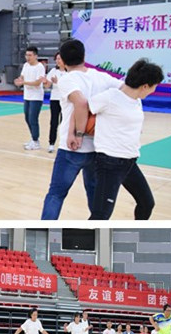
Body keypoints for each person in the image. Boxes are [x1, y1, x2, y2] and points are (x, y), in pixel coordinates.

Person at [40, 38, 122, 219]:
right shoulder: (101, 77)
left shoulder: (67, 80)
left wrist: (78, 133)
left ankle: (44, 229)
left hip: (72, 147)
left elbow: (81, 102)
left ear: (62, 60)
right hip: (97, 147)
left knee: (56, 194)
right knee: (94, 193)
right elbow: (124, 89)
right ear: (84, 56)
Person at [88, 58, 164, 220]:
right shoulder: (110, 97)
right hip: (110, 162)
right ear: (145, 86)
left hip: (129, 162)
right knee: (101, 216)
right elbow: (83, 108)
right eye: (154, 87)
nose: (153, 91)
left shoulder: (136, 101)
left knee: (147, 203)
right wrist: (78, 133)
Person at [14, 46, 46, 150]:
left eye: (30, 55)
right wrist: (19, 80)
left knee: (33, 118)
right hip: (27, 96)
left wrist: (24, 82)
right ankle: (33, 138)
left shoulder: (40, 67)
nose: (28, 57)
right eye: (26, 55)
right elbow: (22, 76)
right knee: (27, 118)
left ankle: (36, 141)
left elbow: (37, 83)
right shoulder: (26, 65)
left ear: (35, 56)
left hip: (36, 97)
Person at [45, 52, 65, 152]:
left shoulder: (69, 72)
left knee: (64, 122)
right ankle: (51, 143)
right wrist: (45, 81)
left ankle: (63, 143)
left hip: (66, 100)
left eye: (59, 59)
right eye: (56, 59)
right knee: (53, 122)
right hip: (54, 99)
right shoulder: (53, 71)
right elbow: (47, 86)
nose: (57, 61)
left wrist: (58, 82)